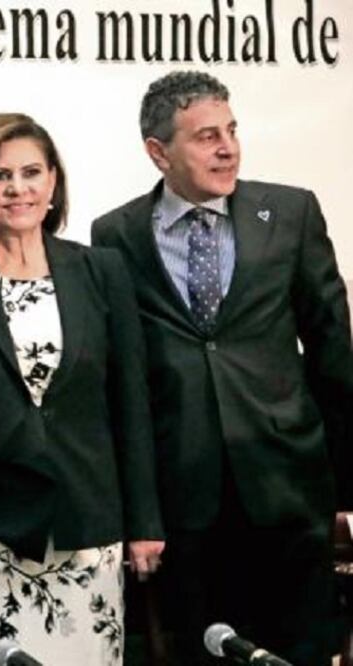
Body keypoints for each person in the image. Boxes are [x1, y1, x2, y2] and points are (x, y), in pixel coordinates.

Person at [92, 71, 353, 666]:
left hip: (288, 489)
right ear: (159, 152)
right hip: (187, 502)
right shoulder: (116, 235)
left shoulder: (291, 213)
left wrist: (345, 484)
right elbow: (125, 384)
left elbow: (334, 353)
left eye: (231, 131)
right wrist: (141, 511)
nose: (228, 147)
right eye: (206, 136)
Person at [0, 114, 165, 666]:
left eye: (31, 172)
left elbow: (130, 403)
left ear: (54, 180)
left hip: (88, 524)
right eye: (0, 176)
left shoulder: (100, 269)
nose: (19, 189)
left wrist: (145, 523)